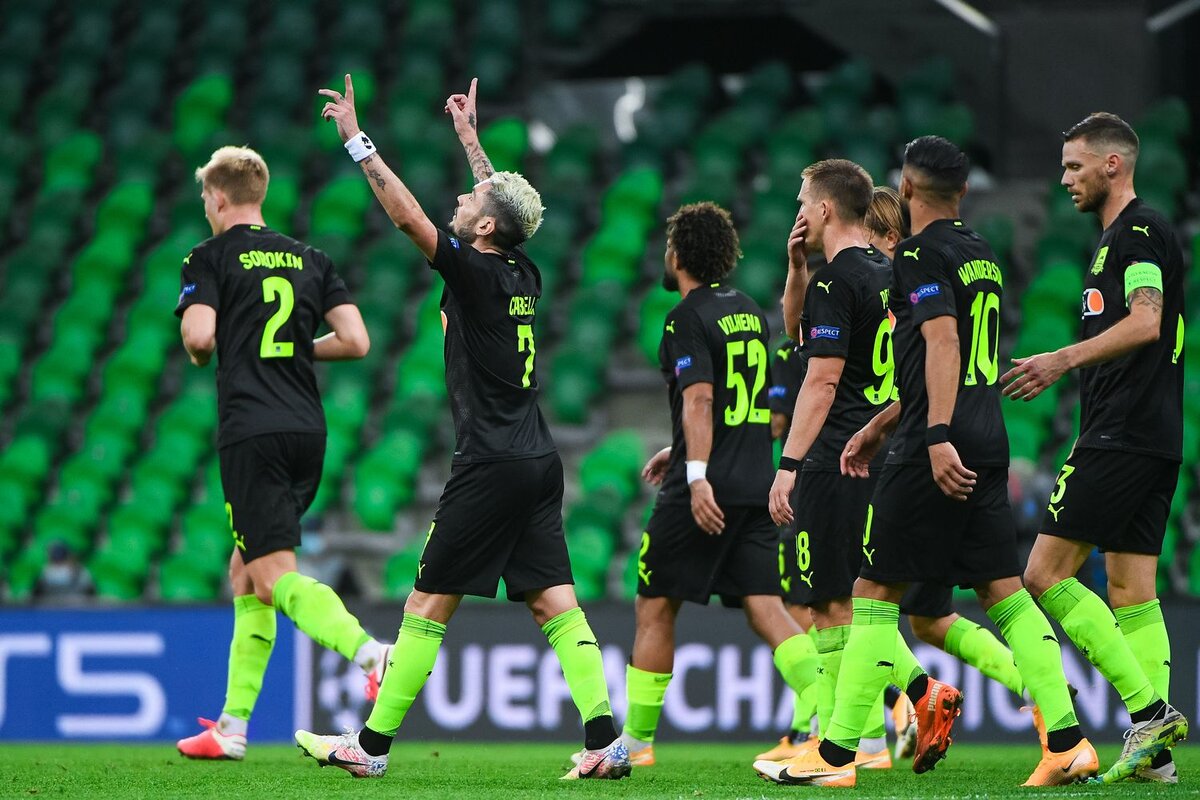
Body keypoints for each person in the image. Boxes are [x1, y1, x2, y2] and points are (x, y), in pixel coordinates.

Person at [294, 76, 629, 781]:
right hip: (536, 460)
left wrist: (357, 141)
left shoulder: (474, 274)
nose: (462, 200)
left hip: (491, 462)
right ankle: (605, 741)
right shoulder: (523, 271)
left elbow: (408, 217)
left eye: (472, 201)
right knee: (555, 604)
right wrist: (472, 141)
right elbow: (503, 208)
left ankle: (370, 748)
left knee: (426, 604)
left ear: (481, 230)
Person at [755, 136, 1096, 788]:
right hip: (984, 435)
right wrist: (882, 423)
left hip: (927, 446)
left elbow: (938, 344)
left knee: (868, 598)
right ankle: (1066, 737)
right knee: (1000, 594)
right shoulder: (980, 254)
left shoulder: (915, 256)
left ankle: (839, 754)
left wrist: (929, 432)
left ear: (907, 190)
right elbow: (937, 353)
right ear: (964, 190)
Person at [174, 145, 388, 761]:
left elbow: (199, 337)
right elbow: (356, 340)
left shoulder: (209, 256)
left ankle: (372, 654)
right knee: (245, 570)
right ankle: (231, 726)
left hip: (253, 430)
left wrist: (211, 346)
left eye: (205, 198)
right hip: (306, 430)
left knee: (272, 576)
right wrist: (294, 348)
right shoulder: (310, 258)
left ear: (217, 197)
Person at [1005, 112, 1189, 784]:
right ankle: (1155, 760)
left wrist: (1060, 358)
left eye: (1074, 166)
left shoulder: (1137, 233)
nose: (1065, 179)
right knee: (1132, 590)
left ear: (1114, 164)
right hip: (1153, 435)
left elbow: (1146, 321)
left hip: (1121, 432)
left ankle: (1150, 712)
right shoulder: (1123, 237)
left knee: (1043, 575)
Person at [620, 201, 814, 767]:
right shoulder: (749, 310)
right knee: (767, 608)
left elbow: (703, 398)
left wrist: (697, 474)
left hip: (706, 489)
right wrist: (681, 449)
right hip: (755, 481)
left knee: (655, 606)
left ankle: (636, 744)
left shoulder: (685, 318)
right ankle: (832, 717)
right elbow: (744, 406)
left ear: (679, 255)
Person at [865, 187, 1029, 762]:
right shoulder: (934, 278)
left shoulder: (889, 285)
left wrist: (881, 430)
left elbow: (930, 368)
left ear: (887, 237)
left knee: (857, 602)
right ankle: (1034, 684)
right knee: (930, 617)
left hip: (905, 459)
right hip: (932, 443)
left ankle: (875, 728)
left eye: (871, 241)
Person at [765, 159, 896, 770]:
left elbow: (818, 379)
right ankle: (864, 741)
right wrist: (797, 267)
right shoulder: (890, 271)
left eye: (802, 203)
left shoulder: (836, 281)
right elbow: (798, 333)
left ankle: (846, 747)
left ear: (824, 209)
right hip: (884, 450)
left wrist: (788, 464)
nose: (798, 213)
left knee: (830, 605)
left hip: (835, 456)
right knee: (863, 599)